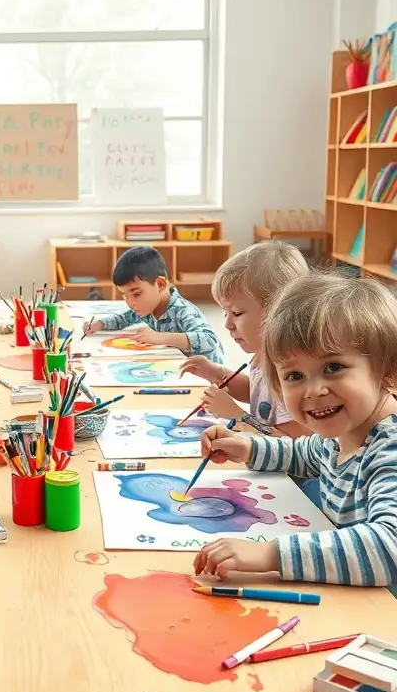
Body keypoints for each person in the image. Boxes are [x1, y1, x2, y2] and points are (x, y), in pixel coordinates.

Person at [195, 272, 397, 586]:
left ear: (387, 370)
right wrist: (247, 448)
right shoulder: (342, 435)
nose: (313, 390)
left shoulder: (389, 448)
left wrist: (269, 555)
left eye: (333, 367)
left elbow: (389, 548)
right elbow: (302, 454)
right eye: (294, 376)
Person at [181, 240, 308, 436]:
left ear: (278, 311)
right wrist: (218, 374)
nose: (227, 324)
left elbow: (293, 445)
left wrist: (237, 416)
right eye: (225, 313)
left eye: (237, 313)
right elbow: (257, 393)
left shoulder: (294, 372)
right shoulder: (263, 354)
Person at [82, 246, 224, 363]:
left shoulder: (183, 311)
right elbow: (124, 319)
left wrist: (159, 337)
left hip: (210, 382)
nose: (130, 303)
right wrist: (99, 324)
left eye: (136, 294)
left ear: (160, 284)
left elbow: (210, 340)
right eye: (125, 295)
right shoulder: (149, 309)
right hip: (178, 367)